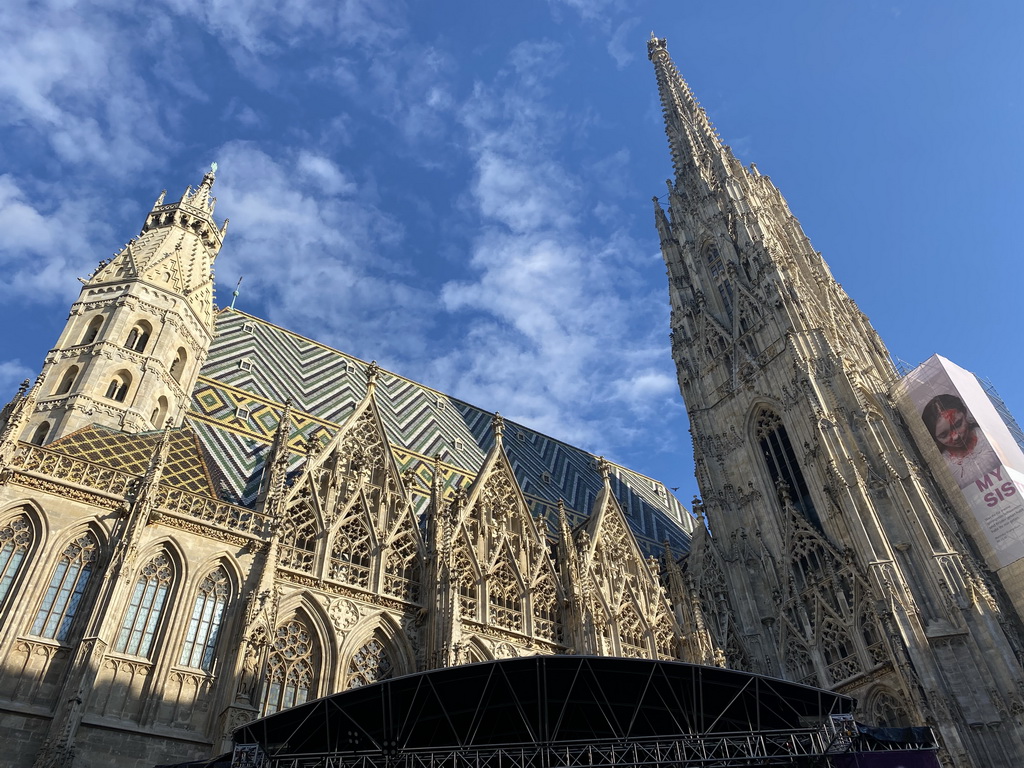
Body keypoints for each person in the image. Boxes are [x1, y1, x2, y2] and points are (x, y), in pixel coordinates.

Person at [921, 394, 1000, 489]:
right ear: (935, 438)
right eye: (944, 435)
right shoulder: (940, 466)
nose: (955, 436)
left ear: (965, 412)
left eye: (958, 424)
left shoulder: (991, 437)